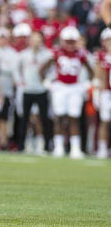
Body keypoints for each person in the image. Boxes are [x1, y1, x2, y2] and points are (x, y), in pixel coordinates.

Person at [40, 26, 93, 159]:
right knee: (59, 116)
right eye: (67, 41)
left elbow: (91, 70)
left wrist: (88, 83)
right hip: (60, 87)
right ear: (63, 40)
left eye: (72, 41)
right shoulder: (57, 52)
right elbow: (42, 69)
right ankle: (58, 147)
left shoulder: (81, 54)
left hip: (75, 87)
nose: (70, 44)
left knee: (74, 117)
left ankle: (75, 148)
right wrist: (46, 82)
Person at [16, 32, 53, 154]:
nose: (36, 42)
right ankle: (21, 145)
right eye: (34, 39)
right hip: (28, 90)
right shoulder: (23, 54)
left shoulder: (48, 54)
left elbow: (53, 70)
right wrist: (20, 82)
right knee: (24, 118)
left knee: (44, 118)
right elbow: (16, 69)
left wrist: (48, 81)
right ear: (29, 41)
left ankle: (46, 145)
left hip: (41, 90)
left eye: (38, 39)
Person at [95, 28, 111, 159]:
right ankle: (102, 148)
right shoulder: (101, 55)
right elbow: (99, 75)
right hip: (106, 92)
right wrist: (98, 93)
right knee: (104, 121)